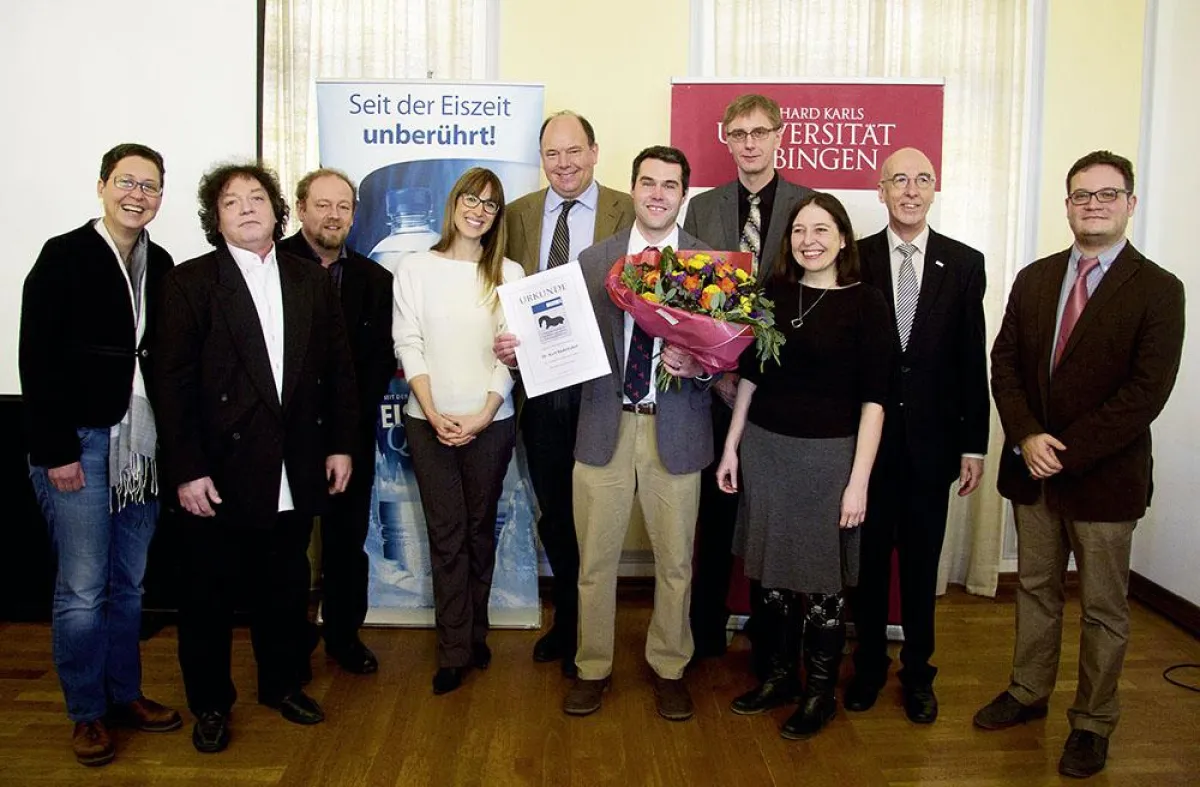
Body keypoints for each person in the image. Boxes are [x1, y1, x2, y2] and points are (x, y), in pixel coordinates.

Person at [975, 150, 1185, 779]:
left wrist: (1061, 451)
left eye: (1106, 194)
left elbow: (1145, 393)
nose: (1093, 205)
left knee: (1102, 608)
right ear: (1067, 205)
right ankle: (1028, 690)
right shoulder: (1035, 279)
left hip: (1104, 480)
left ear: (1130, 203)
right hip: (1032, 471)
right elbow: (1004, 363)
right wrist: (1027, 435)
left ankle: (1092, 722)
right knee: (1036, 590)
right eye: (1081, 195)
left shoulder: (1159, 289)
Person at [152, 163, 359, 753]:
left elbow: (338, 370)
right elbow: (172, 385)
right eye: (231, 201)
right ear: (215, 219)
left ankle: (282, 684)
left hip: (294, 463)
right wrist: (188, 469)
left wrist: (340, 444)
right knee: (207, 595)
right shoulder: (191, 282)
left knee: (285, 584)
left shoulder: (309, 278)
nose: (246, 207)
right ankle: (211, 704)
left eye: (256, 198)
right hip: (216, 471)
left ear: (276, 211)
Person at [19, 143, 182, 766]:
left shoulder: (160, 262)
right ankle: (86, 712)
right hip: (79, 444)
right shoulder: (63, 255)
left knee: (129, 586)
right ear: (102, 186)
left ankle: (124, 694)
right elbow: (36, 357)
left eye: (150, 186)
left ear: (161, 196)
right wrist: (55, 448)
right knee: (83, 589)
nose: (137, 195)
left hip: (141, 448)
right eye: (126, 182)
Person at [716, 192, 891, 740]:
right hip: (766, 453)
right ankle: (778, 678)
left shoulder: (867, 303)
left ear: (843, 238)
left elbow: (875, 402)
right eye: (798, 230)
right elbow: (752, 377)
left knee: (821, 585)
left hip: (827, 462)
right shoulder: (773, 292)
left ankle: (818, 693)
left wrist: (858, 482)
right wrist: (732, 447)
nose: (808, 241)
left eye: (820, 230)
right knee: (770, 578)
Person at [550, 145, 713, 721]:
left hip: (678, 431)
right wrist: (525, 350)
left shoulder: (707, 264)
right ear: (634, 187)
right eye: (648, 182)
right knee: (594, 563)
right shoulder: (595, 260)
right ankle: (592, 668)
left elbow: (728, 355)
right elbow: (563, 341)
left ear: (683, 195)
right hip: (605, 428)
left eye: (670, 185)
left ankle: (670, 666)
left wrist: (700, 365)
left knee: (676, 564)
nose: (658, 194)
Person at [845, 147, 989, 724]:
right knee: (869, 564)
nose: (910, 190)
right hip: (869, 447)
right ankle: (869, 667)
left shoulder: (965, 263)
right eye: (898, 180)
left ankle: (918, 673)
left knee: (922, 565)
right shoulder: (854, 259)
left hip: (934, 447)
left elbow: (971, 359)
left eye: (921, 180)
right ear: (880, 191)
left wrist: (974, 443)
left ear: (934, 189)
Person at [500, 111, 635, 676]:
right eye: (552, 154)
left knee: (598, 508)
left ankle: (596, 623)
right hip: (541, 387)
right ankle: (570, 618)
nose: (564, 164)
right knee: (554, 508)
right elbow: (496, 288)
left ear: (595, 151)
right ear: (542, 159)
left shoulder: (630, 208)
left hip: (606, 386)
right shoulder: (517, 215)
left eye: (574, 151)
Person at [681, 93, 812, 661]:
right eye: (739, 133)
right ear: (726, 139)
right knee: (715, 518)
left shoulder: (810, 207)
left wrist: (761, 379)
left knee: (773, 520)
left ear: (780, 135)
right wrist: (719, 375)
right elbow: (687, 301)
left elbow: (815, 298)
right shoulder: (701, 209)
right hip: (714, 391)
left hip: (782, 394)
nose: (750, 143)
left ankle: (772, 640)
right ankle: (705, 633)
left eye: (760, 132)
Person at [392, 167, 523, 696]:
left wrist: (484, 414)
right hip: (429, 423)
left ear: (497, 217)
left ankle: (475, 635)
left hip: (491, 424)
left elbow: (510, 354)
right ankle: (452, 650)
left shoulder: (509, 273)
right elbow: (408, 343)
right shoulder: (414, 267)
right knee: (447, 537)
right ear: (453, 203)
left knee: (478, 531)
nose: (478, 210)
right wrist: (433, 411)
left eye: (489, 204)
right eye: (471, 198)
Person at [278, 168, 396, 676]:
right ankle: (289, 642)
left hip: (351, 435)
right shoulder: (270, 266)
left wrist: (345, 433)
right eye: (322, 205)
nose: (333, 215)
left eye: (343, 206)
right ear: (301, 208)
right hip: (284, 438)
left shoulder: (375, 280)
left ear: (354, 215)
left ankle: (344, 637)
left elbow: (376, 364)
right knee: (286, 547)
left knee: (347, 543)